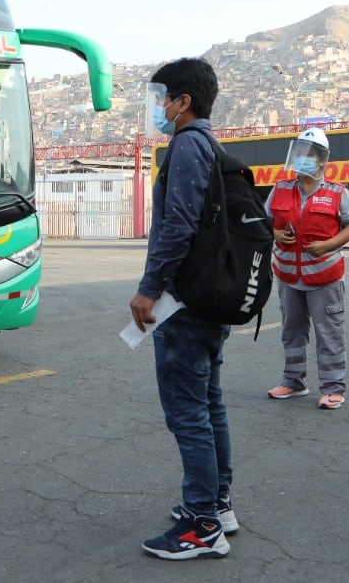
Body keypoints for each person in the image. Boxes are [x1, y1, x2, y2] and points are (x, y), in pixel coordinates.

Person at [129, 57, 235, 560]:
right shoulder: (210, 145)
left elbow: (178, 226)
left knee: (189, 413)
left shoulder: (187, 146)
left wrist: (149, 288)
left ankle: (201, 525)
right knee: (208, 404)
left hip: (185, 303)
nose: (157, 108)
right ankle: (218, 505)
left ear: (182, 101)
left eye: (160, 98)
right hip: (208, 297)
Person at [265, 127, 349, 410]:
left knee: (329, 332)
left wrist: (328, 245)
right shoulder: (280, 189)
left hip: (324, 277)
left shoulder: (337, 193)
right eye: (299, 153)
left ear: (322, 160)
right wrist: (276, 235)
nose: (301, 158)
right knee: (292, 330)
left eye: (308, 154)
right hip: (288, 276)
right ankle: (293, 382)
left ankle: (333, 388)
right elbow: (263, 220)